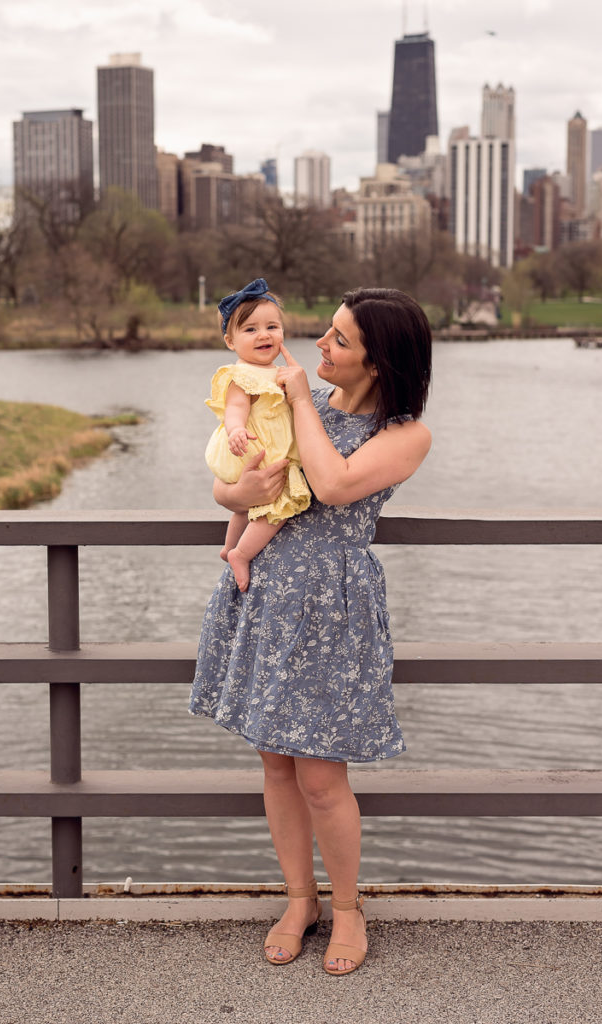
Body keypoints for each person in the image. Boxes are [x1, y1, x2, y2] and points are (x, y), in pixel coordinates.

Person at [189, 287, 432, 975]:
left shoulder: (404, 433)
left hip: (331, 605)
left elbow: (330, 485)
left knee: (322, 775)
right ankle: (301, 899)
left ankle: (349, 908)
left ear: (378, 362)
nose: (318, 345)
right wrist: (238, 495)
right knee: (274, 760)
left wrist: (297, 399)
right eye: (325, 332)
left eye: (339, 340)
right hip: (265, 592)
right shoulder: (305, 403)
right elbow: (232, 485)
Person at [205, 278, 311, 592]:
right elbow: (235, 407)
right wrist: (236, 430)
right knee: (281, 503)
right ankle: (241, 553)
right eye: (250, 330)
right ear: (230, 341)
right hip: (253, 448)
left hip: (262, 451)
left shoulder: (278, 372)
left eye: (272, 327)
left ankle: (229, 546)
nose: (263, 335)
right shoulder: (242, 374)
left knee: (247, 506)